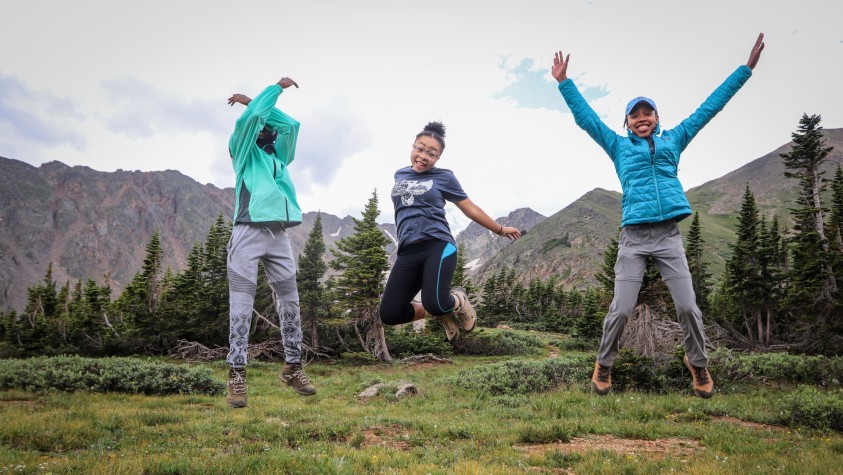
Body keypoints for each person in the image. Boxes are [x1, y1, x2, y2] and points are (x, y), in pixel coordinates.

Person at [551, 33, 765, 398]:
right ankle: (604, 364)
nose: (641, 118)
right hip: (633, 238)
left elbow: (709, 108)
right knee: (620, 309)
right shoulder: (618, 146)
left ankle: (697, 365)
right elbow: (587, 120)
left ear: (657, 118)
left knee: (688, 307)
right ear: (627, 124)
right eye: (634, 115)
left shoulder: (675, 139)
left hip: (668, 236)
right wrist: (564, 83)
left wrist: (745, 70)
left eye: (647, 112)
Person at [379, 121, 522, 342]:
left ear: (437, 158)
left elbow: (469, 208)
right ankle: (438, 313)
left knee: (436, 301)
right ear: (413, 147)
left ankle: (457, 300)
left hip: (438, 244)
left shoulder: (445, 177)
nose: (423, 155)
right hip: (408, 251)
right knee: (389, 313)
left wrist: (500, 229)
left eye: (431, 153)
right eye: (420, 148)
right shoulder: (400, 174)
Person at [224, 76, 315, 408]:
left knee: (290, 303)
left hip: (278, 236)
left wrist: (259, 104)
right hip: (247, 233)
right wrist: (269, 93)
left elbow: (291, 125)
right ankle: (236, 373)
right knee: (242, 308)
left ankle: (293, 365)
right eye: (263, 125)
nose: (267, 129)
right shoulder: (244, 153)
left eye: (268, 126)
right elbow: (249, 122)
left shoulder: (279, 158)